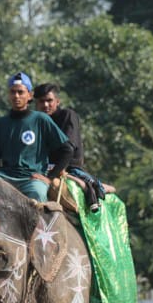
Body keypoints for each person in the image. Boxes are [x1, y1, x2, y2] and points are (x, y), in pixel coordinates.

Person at [0, 72, 73, 202]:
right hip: (4, 177)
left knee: (38, 193)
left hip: (31, 179)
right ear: (8, 95)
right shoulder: (0, 123)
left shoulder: (41, 119)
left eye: (20, 92)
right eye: (13, 92)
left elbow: (67, 150)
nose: (16, 96)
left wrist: (49, 178)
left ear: (29, 95)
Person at [35, 81, 107, 212]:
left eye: (49, 100)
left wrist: (50, 177)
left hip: (68, 168)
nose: (45, 105)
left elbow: (68, 150)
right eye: (41, 101)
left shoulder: (67, 116)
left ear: (57, 101)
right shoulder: (36, 122)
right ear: (36, 104)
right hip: (41, 168)